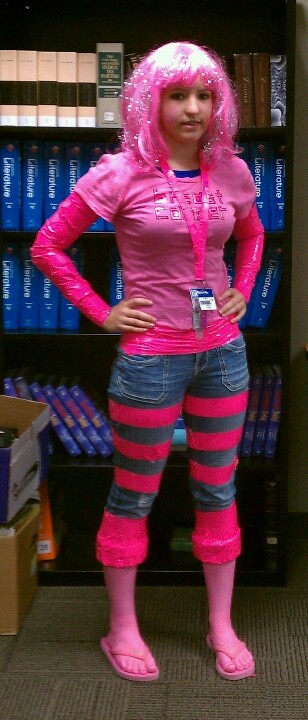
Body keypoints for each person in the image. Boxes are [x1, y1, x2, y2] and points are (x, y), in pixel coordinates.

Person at [31, 40, 264, 683]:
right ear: (150, 101)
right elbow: (49, 245)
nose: (192, 109)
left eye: (204, 95)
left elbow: (252, 232)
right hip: (149, 358)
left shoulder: (231, 171)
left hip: (221, 352)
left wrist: (242, 285)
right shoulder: (119, 172)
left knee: (218, 486)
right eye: (176, 95)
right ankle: (122, 627)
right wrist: (101, 311)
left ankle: (221, 625)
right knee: (135, 492)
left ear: (219, 101)